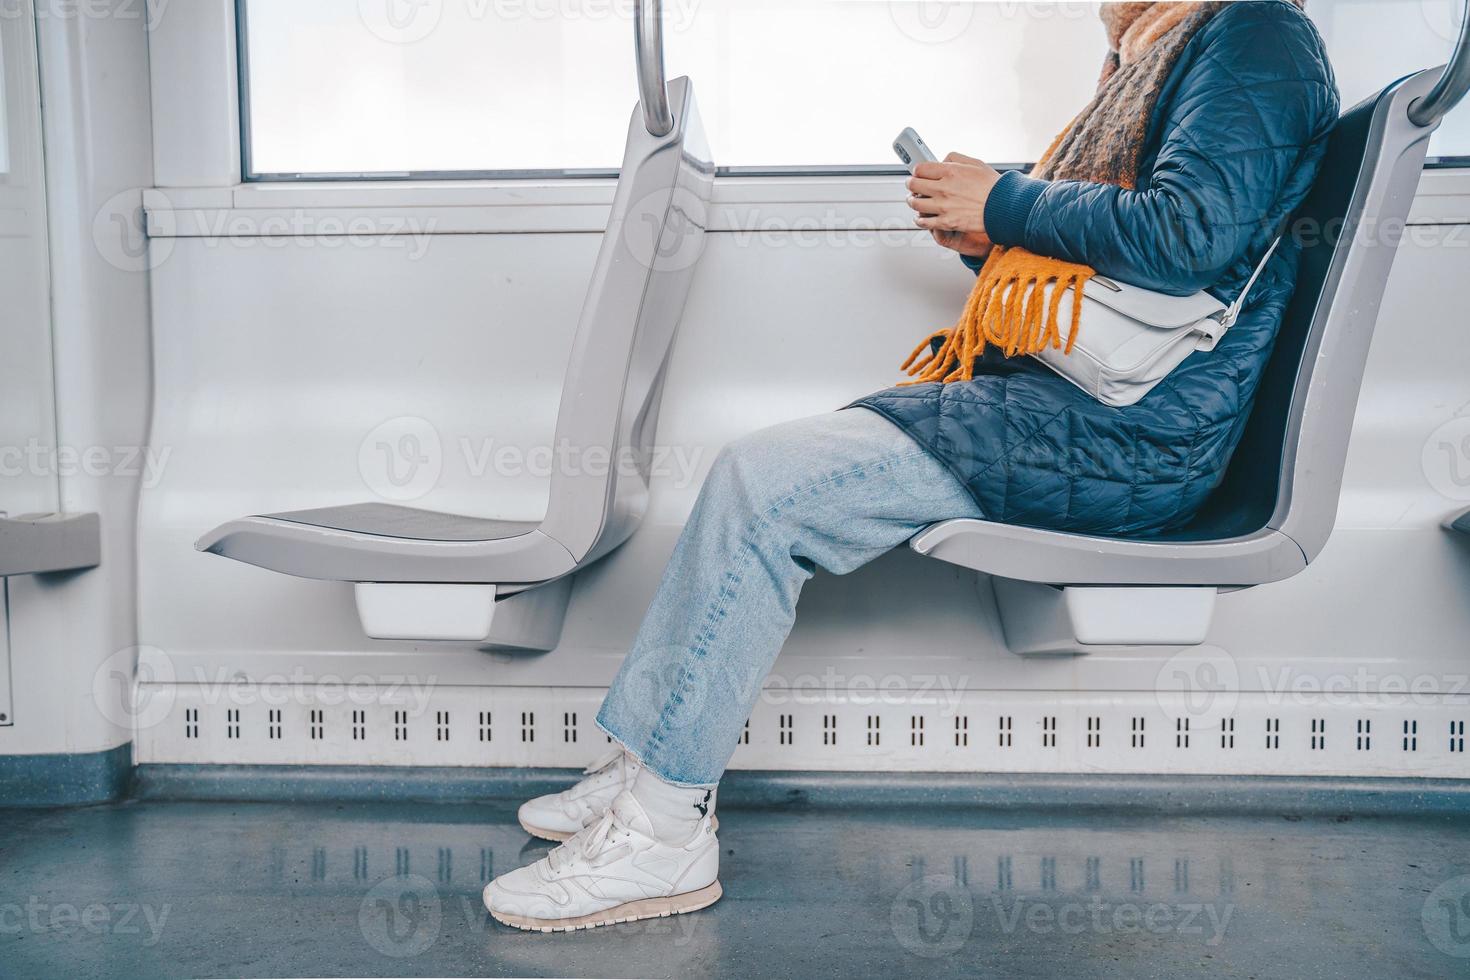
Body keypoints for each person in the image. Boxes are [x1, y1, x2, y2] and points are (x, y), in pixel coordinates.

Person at [483, 0, 1339, 932]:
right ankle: (647, 762)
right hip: (1087, 410)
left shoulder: (1254, 31)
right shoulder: (1167, 51)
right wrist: (995, 245)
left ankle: (662, 831)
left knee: (764, 490)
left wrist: (1005, 200)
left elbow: (1187, 238)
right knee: (757, 476)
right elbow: (1130, 289)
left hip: (1130, 435)